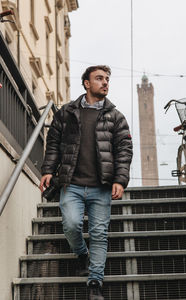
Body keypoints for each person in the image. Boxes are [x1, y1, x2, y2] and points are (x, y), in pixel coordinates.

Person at [40, 65, 133, 300]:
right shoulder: (67, 112)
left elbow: (124, 150)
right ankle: (81, 253)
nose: (105, 83)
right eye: (99, 78)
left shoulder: (116, 116)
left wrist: (120, 180)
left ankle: (95, 283)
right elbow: (53, 143)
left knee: (99, 234)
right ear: (86, 83)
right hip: (71, 183)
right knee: (71, 225)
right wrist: (48, 170)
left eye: (107, 79)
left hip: (101, 186)